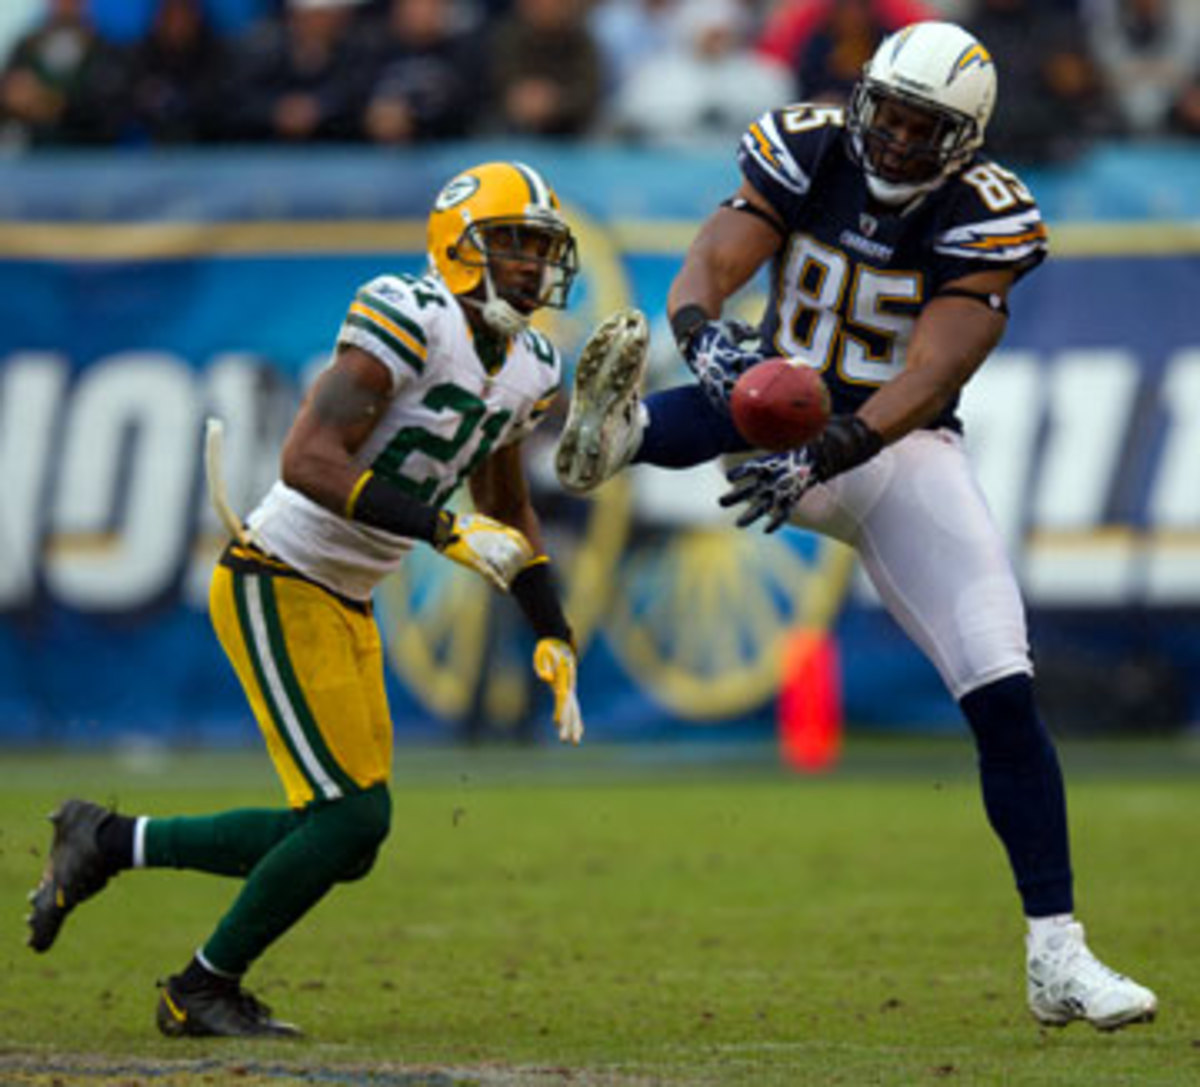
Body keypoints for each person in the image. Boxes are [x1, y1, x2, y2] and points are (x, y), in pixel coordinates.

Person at [555, 21, 1159, 1031]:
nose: (889, 139)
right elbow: (715, 255)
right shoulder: (808, 145)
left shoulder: (984, 213)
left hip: (888, 446)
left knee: (1002, 686)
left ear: (963, 140)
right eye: (885, 110)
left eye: (921, 126)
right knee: (760, 389)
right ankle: (612, 441)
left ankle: (1057, 955)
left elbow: (933, 373)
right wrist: (702, 336)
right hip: (772, 405)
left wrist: (835, 448)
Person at [27, 160, 586, 1038]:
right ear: (457, 248)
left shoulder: (529, 366)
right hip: (278, 574)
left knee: (342, 836)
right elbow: (309, 458)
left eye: (540, 249)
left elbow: (506, 505)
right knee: (351, 817)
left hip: (346, 592)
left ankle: (107, 841)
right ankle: (198, 987)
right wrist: (441, 532)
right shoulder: (410, 315)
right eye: (510, 244)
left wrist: (550, 624)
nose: (528, 266)